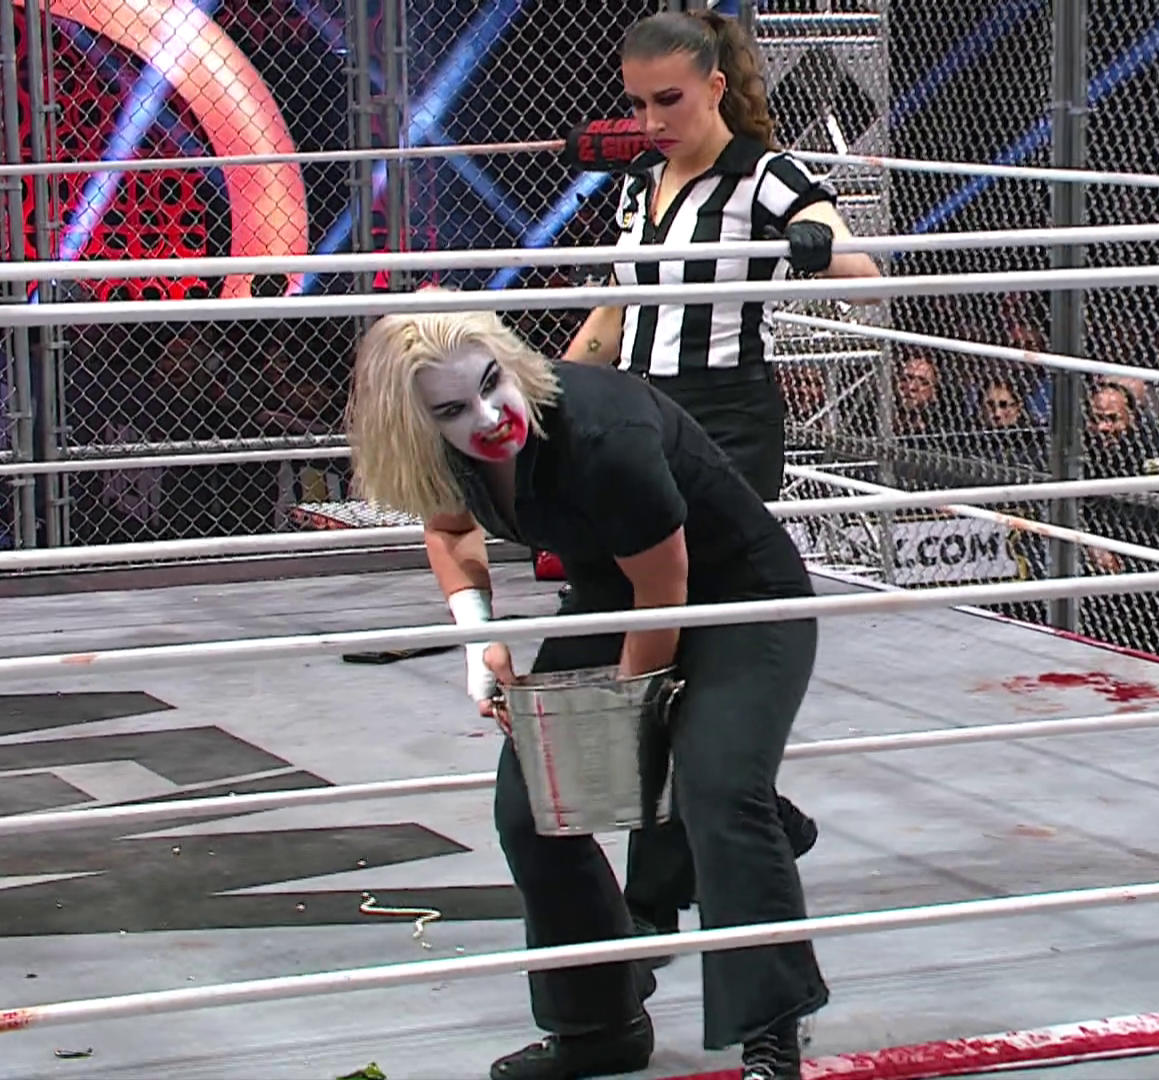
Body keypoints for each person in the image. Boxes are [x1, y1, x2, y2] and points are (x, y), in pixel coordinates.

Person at [345, 304, 827, 1080]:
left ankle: (770, 1029)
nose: (488, 416)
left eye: (492, 384)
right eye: (452, 410)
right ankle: (599, 1024)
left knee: (717, 789)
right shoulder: (435, 451)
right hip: (615, 594)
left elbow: (665, 589)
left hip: (739, 594)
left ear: (509, 362)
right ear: (415, 424)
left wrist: (635, 727)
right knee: (531, 805)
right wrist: (479, 638)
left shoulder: (600, 432)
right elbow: (451, 530)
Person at [562, 9, 882, 944]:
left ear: (713, 86)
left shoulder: (762, 174)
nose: (652, 119)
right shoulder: (640, 184)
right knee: (661, 639)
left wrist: (816, 245)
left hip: (726, 423)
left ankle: (658, 895)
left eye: (668, 99)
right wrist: (558, 391)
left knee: (683, 639)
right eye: (637, 102)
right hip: (639, 414)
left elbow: (853, 260)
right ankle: (750, 815)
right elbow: (617, 307)